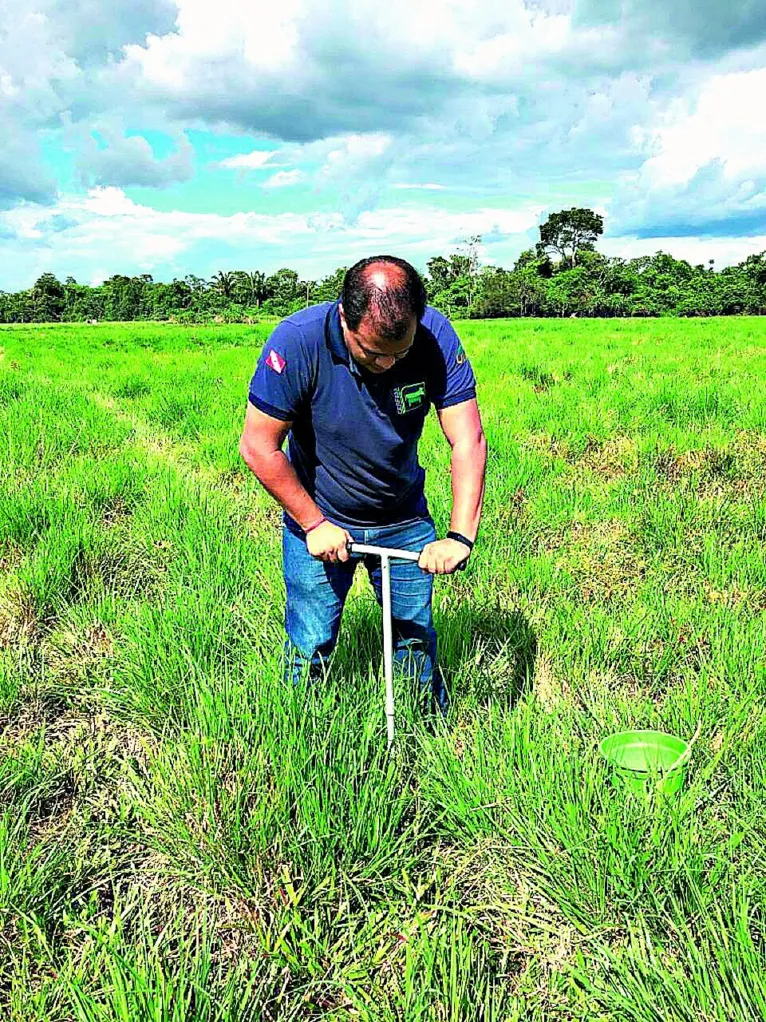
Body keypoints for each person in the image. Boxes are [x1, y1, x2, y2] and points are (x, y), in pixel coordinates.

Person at [239, 255, 487, 712]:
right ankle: (300, 735)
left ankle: (427, 733)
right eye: (373, 352)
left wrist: (458, 536)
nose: (388, 363)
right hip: (320, 517)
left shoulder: (434, 336)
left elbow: (467, 438)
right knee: (310, 642)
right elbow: (258, 447)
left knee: (414, 640)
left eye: (400, 351)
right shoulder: (298, 342)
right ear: (343, 318)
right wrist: (314, 524)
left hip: (404, 518)